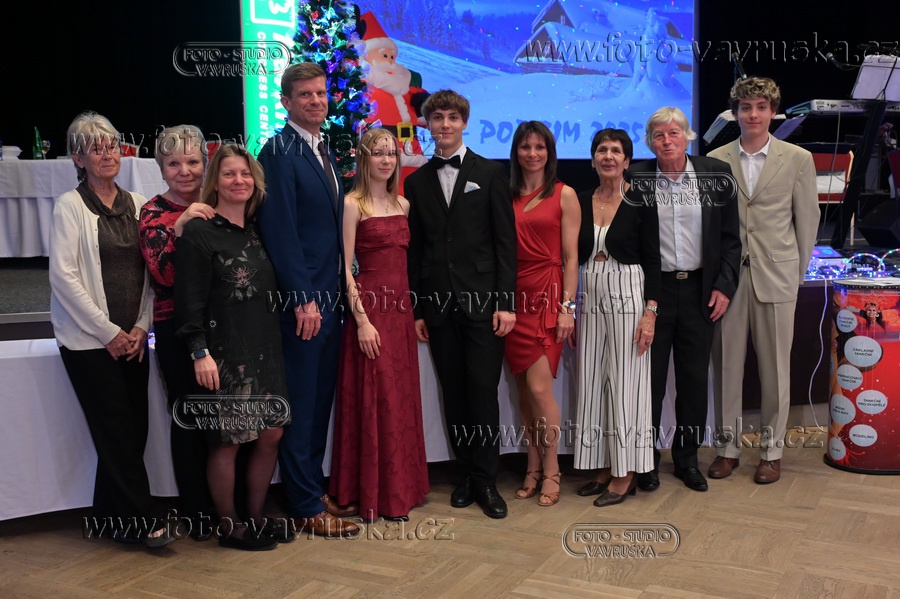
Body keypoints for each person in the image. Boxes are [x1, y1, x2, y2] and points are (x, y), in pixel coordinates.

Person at [50, 111, 172, 547]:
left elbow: (152, 272)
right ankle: (142, 520)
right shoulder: (69, 206)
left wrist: (139, 327)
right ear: (77, 158)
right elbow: (64, 277)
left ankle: (107, 518)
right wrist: (107, 332)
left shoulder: (139, 204)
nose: (107, 154)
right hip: (88, 343)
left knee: (133, 430)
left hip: (133, 340)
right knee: (117, 430)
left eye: (112, 146)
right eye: (95, 148)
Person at [257, 62, 359, 538]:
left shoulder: (322, 149)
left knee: (318, 402)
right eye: (305, 95)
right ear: (286, 102)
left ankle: (310, 491)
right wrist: (303, 299)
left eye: (320, 93)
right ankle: (302, 504)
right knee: (301, 403)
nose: (316, 101)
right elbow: (280, 232)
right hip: (305, 305)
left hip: (330, 299)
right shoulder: (278, 151)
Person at [406, 89, 517, 519]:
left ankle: (487, 479)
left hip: (485, 305)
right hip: (438, 305)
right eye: (438, 118)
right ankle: (466, 473)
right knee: (453, 393)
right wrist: (418, 308)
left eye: (453, 117)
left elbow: (505, 243)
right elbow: (416, 251)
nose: (445, 125)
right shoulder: (415, 182)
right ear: (428, 125)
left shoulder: (490, 173)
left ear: (464, 122)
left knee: (483, 392)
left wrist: (505, 302)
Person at [175, 144, 289, 550]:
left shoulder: (260, 229)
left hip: (266, 348)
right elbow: (188, 302)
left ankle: (255, 517)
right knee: (228, 442)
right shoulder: (199, 232)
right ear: (215, 182)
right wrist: (199, 352)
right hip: (222, 354)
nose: (238, 180)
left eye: (245, 174)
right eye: (229, 174)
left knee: (271, 434)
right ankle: (230, 526)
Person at [709, 77, 819, 484]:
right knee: (726, 367)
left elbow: (807, 220)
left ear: (773, 112)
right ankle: (727, 449)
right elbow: (711, 226)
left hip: (777, 276)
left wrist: (795, 272)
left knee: (775, 371)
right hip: (728, 280)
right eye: (745, 107)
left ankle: (772, 452)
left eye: (760, 107)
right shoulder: (716, 159)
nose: (753, 114)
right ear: (735, 112)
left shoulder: (798, 158)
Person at [629, 107, 741, 493]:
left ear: (687, 136)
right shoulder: (636, 178)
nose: (667, 141)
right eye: (659, 135)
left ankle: (687, 459)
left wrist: (724, 286)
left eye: (674, 133)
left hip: (700, 292)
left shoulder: (715, 174)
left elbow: (731, 239)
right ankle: (645, 459)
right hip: (653, 295)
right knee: (650, 381)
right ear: (650, 142)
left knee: (693, 381)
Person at [329, 128, 429, 522]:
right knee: (376, 397)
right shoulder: (352, 204)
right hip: (370, 313)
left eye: (391, 153)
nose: (386, 160)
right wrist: (361, 321)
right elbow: (345, 269)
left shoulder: (404, 204)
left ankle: (400, 490)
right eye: (378, 153)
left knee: (399, 399)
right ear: (364, 158)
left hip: (400, 314)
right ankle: (371, 493)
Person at [572, 128, 660, 507]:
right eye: (602, 150)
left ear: (627, 161)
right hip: (588, 292)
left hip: (628, 291)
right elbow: (568, 257)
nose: (608, 156)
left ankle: (626, 474)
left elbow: (654, 259)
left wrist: (650, 312)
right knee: (593, 383)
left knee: (626, 385)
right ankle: (604, 466)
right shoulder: (579, 200)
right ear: (593, 159)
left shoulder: (641, 200)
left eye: (616, 151)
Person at [138, 125, 216, 540]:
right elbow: (164, 275)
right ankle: (197, 512)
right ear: (161, 168)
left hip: (226, 326)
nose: (184, 171)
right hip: (177, 330)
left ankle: (229, 506)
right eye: (173, 163)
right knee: (190, 420)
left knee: (229, 421)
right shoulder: (153, 212)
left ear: (205, 161)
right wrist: (181, 226)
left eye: (192, 161)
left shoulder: (220, 201)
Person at [504, 121, 580, 507]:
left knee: (539, 389)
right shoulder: (506, 194)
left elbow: (571, 258)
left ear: (549, 152)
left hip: (548, 297)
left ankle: (552, 468)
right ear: (516, 152)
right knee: (523, 392)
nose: (532, 154)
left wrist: (568, 308)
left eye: (539, 147)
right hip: (513, 300)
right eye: (525, 147)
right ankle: (532, 466)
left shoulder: (565, 194)